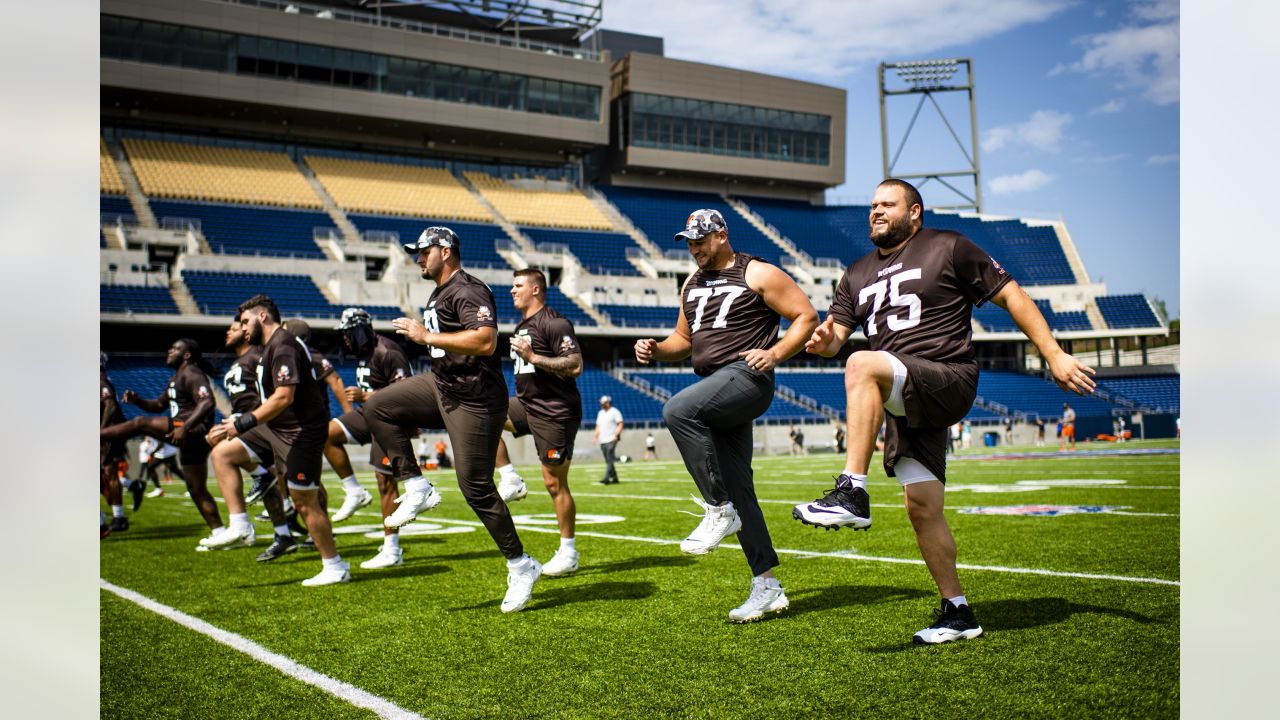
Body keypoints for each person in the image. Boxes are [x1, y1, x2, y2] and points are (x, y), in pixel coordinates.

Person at [792, 178, 1097, 644]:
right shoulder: (855, 272)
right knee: (922, 506)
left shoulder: (948, 246)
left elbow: (1011, 294)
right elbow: (835, 339)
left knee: (861, 364)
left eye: (887, 204)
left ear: (915, 212)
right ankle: (958, 612)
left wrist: (1053, 354)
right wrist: (823, 341)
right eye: (872, 205)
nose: (876, 211)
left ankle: (851, 491)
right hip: (903, 393)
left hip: (946, 375)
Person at [635, 207, 819, 622]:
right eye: (690, 241)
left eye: (701, 239)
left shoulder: (757, 272)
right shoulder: (691, 282)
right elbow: (683, 339)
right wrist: (655, 349)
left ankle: (718, 509)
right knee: (741, 489)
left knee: (677, 409)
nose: (694, 248)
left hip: (746, 379)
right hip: (715, 386)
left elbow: (806, 316)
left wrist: (773, 353)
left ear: (722, 235)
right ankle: (767, 585)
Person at [364, 226, 541, 612]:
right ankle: (415, 485)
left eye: (423, 251)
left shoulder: (467, 288)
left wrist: (426, 337)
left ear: (446, 251)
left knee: (475, 487)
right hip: (443, 385)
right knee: (377, 406)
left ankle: (521, 564)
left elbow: (485, 340)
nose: (417, 258)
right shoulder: (440, 291)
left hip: (475, 398)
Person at [205, 294, 350, 585]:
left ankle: (334, 566)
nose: (243, 328)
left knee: (304, 501)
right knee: (222, 453)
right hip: (277, 427)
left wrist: (244, 422)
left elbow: (284, 396)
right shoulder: (270, 346)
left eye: (246, 322)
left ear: (262, 317)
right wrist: (236, 421)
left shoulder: (283, 344)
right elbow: (269, 398)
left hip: (301, 432)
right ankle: (240, 524)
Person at [491, 268, 585, 576]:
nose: (512, 290)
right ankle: (510, 478)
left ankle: (568, 551)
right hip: (527, 404)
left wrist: (534, 358)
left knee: (554, 483)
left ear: (535, 289)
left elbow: (574, 364)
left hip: (555, 411)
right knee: (481, 413)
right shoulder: (522, 325)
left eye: (518, 285)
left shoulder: (555, 322)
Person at [100, 339, 222, 542]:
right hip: (188, 434)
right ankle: (219, 532)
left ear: (187, 355)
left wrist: (185, 426)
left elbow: (208, 401)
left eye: (175, 348)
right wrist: (138, 400)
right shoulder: (176, 378)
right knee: (196, 489)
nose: (169, 351)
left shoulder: (192, 373)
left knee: (139, 422)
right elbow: (158, 405)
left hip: (192, 431)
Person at [325, 307, 417, 570]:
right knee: (325, 434)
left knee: (385, 482)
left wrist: (366, 397)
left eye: (347, 333)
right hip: (369, 414)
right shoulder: (365, 352)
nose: (344, 340)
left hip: (389, 420)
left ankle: (392, 549)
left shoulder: (388, 351)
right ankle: (354, 491)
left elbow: (405, 392)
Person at [208, 315, 303, 562]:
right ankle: (283, 535)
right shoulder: (239, 361)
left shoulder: (258, 356)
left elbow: (268, 395)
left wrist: (243, 420)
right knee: (271, 482)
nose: (228, 333)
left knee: (305, 488)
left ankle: (241, 522)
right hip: (251, 425)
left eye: (233, 328)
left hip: (266, 424)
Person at [100, 353, 132, 534]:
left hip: (109, 434)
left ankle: (118, 517)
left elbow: (110, 405)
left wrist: (102, 431)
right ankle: (110, 516)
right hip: (108, 433)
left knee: (109, 472)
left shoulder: (100, 380)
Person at [593, 395, 623, 485]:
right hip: (602, 440)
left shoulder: (615, 412)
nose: (602, 405)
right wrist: (595, 436)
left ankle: (606, 478)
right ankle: (615, 478)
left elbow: (620, 424)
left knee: (610, 458)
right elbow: (598, 426)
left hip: (612, 439)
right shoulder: (600, 413)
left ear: (608, 403)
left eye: (604, 403)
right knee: (608, 460)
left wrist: (616, 434)